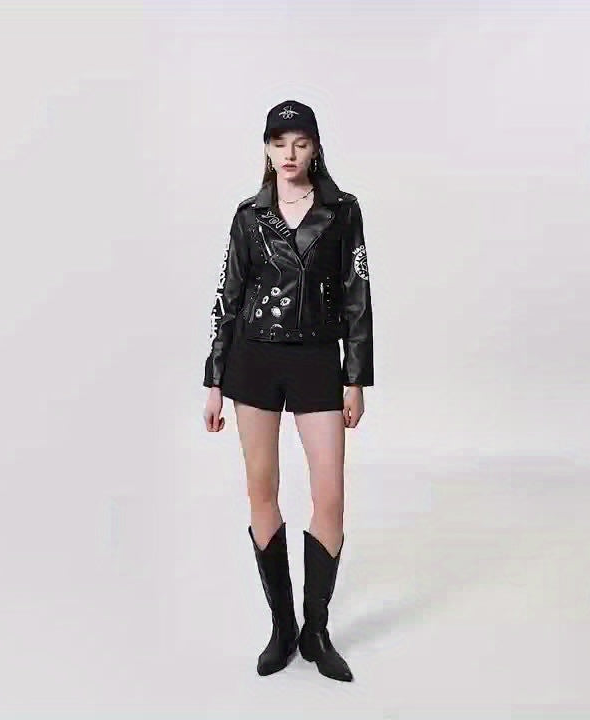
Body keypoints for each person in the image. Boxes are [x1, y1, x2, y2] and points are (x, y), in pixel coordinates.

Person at [201, 99, 373, 682]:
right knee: (261, 488)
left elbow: (357, 295)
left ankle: (316, 630)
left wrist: (355, 377)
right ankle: (282, 628)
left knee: (330, 495)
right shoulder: (249, 215)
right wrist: (214, 381)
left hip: (317, 360)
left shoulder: (341, 211)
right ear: (267, 150)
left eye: (300, 143)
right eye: (279, 144)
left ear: (316, 147)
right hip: (253, 361)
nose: (290, 154)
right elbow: (227, 295)